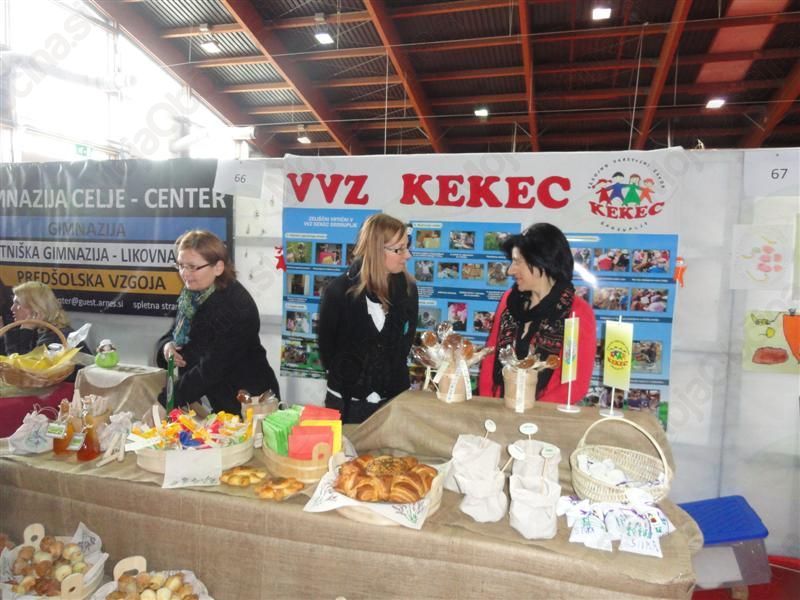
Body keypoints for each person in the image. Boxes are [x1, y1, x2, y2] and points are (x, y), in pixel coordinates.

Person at [156, 230, 280, 415]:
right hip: (214, 398)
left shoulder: (237, 306)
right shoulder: (191, 296)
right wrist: (167, 347)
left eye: (193, 267)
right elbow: (175, 333)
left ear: (218, 267)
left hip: (249, 403)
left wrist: (167, 401)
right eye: (181, 265)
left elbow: (211, 369)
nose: (185, 273)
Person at [478, 223, 596, 403]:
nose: (510, 270)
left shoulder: (577, 312)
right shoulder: (509, 300)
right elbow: (490, 357)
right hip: (499, 409)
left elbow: (575, 384)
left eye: (517, 262)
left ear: (541, 261)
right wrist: (489, 404)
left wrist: (532, 411)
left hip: (545, 415)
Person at [317, 214, 418, 424]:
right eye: (399, 249)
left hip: (394, 400)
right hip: (347, 401)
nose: (407, 255)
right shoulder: (338, 291)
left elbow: (405, 343)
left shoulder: (409, 290)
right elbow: (328, 348)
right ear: (376, 250)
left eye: (407, 247)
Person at [2, 281, 90, 358]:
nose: (12, 308)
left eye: (18, 303)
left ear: (36, 308)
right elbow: (8, 362)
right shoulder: (37, 332)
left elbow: (23, 368)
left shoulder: (55, 338)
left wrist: (26, 332)